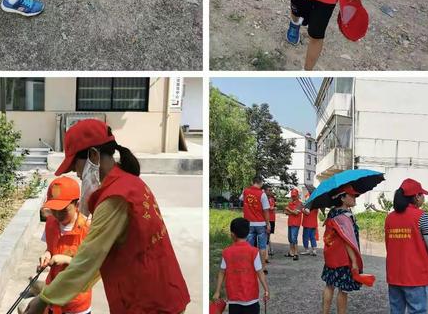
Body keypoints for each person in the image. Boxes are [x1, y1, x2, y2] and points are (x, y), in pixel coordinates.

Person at [25, 119, 190, 314]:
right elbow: (99, 259)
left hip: (149, 302)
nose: (76, 174)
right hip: (162, 293)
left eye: (75, 166)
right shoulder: (130, 184)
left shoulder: (115, 197)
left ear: (93, 155)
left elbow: (88, 260)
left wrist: (44, 299)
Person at [39, 176, 92, 314]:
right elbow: (50, 248)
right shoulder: (51, 222)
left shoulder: (87, 229)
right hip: (53, 294)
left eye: (63, 210)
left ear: (77, 204)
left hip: (76, 300)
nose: (57, 215)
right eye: (54, 209)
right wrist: (47, 254)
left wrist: (66, 259)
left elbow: (92, 266)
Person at [385, 179, 428, 314]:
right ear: (416, 196)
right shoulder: (422, 216)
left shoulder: (389, 218)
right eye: (422, 195)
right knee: (417, 311)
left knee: (396, 311)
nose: (423, 198)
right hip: (416, 276)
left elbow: (388, 245)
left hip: (394, 275)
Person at [322, 185, 368, 314]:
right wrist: (354, 261)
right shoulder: (345, 217)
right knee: (343, 290)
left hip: (331, 256)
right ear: (342, 197)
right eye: (352, 195)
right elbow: (348, 241)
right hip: (343, 259)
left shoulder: (332, 213)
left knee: (329, 285)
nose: (354, 198)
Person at [212, 217, 270, 314]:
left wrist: (217, 291)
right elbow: (260, 272)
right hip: (251, 298)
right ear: (248, 234)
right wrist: (266, 290)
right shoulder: (254, 251)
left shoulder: (226, 252)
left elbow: (222, 272)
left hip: (234, 298)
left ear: (232, 235)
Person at [240, 177, 271, 273]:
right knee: (262, 247)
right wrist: (268, 224)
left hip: (248, 223)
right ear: (261, 183)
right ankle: (262, 268)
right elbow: (266, 210)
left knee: (249, 246)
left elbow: (241, 199)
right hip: (261, 224)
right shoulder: (262, 194)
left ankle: (249, 266)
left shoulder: (245, 192)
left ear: (252, 182)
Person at [284, 188, 302, 260]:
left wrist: (289, 210)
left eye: (295, 196)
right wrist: (292, 212)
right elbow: (285, 213)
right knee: (290, 238)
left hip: (296, 223)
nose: (293, 197)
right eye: (292, 196)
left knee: (294, 238)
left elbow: (296, 213)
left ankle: (296, 253)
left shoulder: (300, 204)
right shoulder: (290, 203)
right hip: (290, 222)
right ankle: (291, 252)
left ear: (297, 195)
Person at [265, 186, 276, 259]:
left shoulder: (272, 199)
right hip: (266, 219)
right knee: (266, 234)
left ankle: (269, 249)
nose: (270, 191)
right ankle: (267, 250)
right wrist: (271, 208)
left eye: (271, 190)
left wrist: (273, 208)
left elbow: (273, 207)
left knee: (269, 235)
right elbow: (268, 208)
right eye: (269, 190)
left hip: (272, 219)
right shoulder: (264, 199)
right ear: (265, 191)